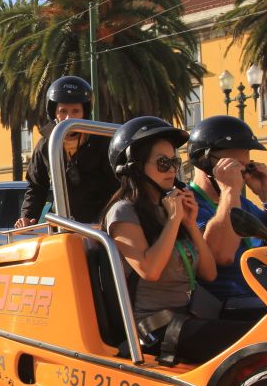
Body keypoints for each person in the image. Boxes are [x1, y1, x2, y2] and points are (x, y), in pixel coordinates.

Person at [103, 116, 252, 364]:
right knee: (250, 342)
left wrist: (190, 225)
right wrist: (173, 221)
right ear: (134, 166)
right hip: (153, 328)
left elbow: (209, 272)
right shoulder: (123, 212)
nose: (172, 169)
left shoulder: (169, 208)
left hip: (189, 317)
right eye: (163, 163)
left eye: (174, 162)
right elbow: (149, 270)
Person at [186, 115, 267, 305]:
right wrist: (230, 190)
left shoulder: (243, 204)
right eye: (235, 166)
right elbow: (222, 255)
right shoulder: (188, 202)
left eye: (247, 167)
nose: (243, 174)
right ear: (205, 162)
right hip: (231, 306)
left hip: (265, 299)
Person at [15, 76, 117, 227]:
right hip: (62, 226)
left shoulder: (101, 141)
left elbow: (117, 186)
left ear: (85, 112)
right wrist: (28, 217)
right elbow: (36, 187)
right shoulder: (45, 145)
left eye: (76, 111)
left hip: (99, 227)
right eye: (63, 111)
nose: (69, 117)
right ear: (53, 112)